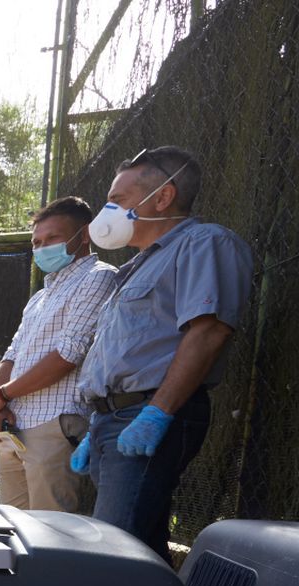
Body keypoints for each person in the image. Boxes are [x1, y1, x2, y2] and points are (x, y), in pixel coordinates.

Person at [69, 145, 254, 558]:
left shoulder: (205, 243)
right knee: (142, 551)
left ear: (163, 197)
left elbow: (208, 333)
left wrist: (157, 413)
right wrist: (98, 419)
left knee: (112, 554)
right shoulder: (135, 267)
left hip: (149, 414)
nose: (107, 212)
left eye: (117, 200)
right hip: (112, 422)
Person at [0, 196, 118, 512]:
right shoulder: (40, 297)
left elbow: (69, 354)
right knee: (10, 527)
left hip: (53, 424)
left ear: (84, 235)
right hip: (15, 425)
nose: (43, 248)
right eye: (37, 242)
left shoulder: (99, 277)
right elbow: (12, 353)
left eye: (52, 238)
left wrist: (2, 394)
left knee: (50, 530)